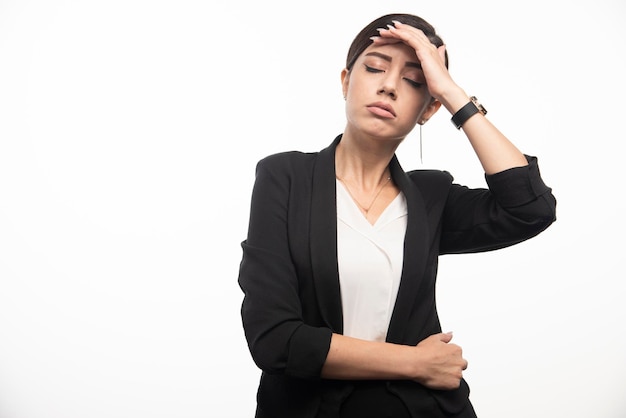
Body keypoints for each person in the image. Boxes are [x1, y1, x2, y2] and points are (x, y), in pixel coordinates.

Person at [237, 12, 556, 418]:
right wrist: (417, 363)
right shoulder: (284, 177)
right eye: (374, 68)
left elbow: (531, 209)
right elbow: (275, 340)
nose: (389, 86)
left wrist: (454, 95)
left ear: (429, 109)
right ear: (345, 81)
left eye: (414, 81)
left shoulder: (430, 196)